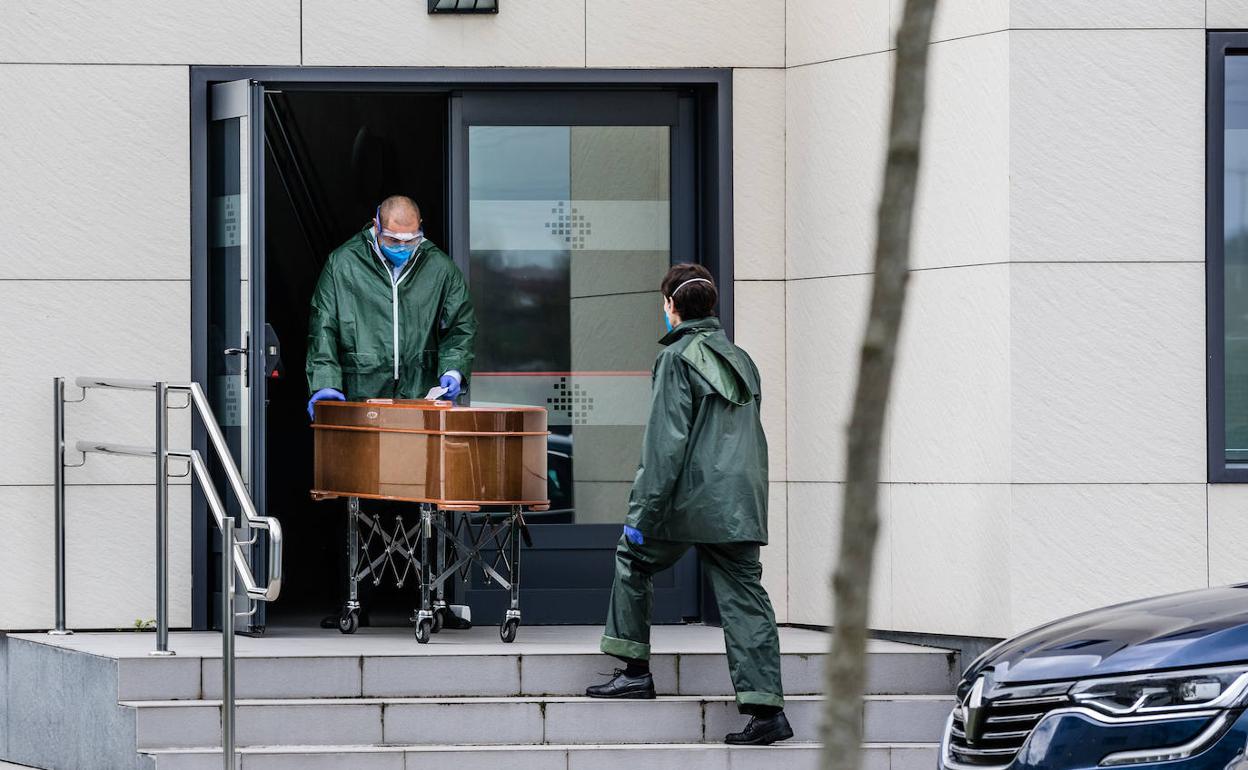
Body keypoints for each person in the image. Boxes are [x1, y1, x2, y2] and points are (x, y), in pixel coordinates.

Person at [585, 264, 791, 746]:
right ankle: (767, 713)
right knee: (746, 598)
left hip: (691, 499)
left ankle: (635, 671)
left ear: (671, 307)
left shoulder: (677, 358)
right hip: (740, 501)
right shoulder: (741, 358)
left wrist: (640, 516)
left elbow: (665, 447)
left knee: (632, 558)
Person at [306, 194, 478, 629]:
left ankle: (434, 599)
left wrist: (453, 372)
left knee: (428, 503)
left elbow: (460, 326)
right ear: (375, 228)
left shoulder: (438, 267)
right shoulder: (344, 264)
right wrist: (326, 384)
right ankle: (352, 599)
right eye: (395, 239)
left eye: (412, 238)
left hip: (421, 399)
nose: (404, 246)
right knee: (357, 501)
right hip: (364, 398)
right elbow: (322, 325)